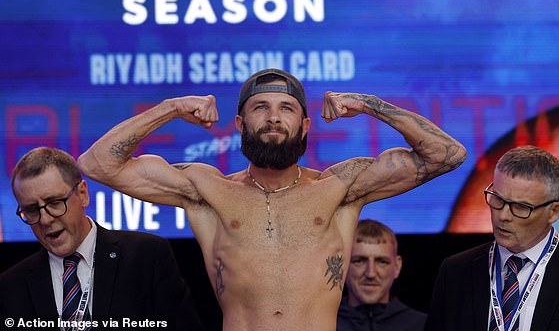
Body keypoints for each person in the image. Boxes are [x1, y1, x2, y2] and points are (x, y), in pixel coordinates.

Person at [78, 68, 466, 331]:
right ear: (240, 124)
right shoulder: (207, 191)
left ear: (305, 125)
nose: (273, 118)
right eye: (260, 107)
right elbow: (97, 164)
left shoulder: (340, 189)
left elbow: (446, 154)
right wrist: (172, 108)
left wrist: (367, 103)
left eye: (287, 109)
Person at [0, 147, 204, 331]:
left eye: (54, 202)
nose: (44, 219)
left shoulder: (147, 256)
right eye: (31, 210)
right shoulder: (10, 286)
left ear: (82, 194)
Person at [425, 145, 559, 331]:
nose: (503, 216)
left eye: (520, 207)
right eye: (498, 199)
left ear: (554, 212)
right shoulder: (456, 270)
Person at [337, 219, 426, 331]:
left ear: (397, 266)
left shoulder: (424, 326)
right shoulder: (323, 325)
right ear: (342, 266)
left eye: (382, 261)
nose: (371, 273)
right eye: (359, 261)